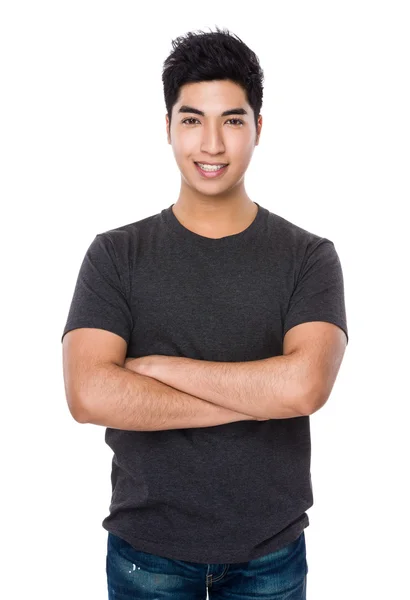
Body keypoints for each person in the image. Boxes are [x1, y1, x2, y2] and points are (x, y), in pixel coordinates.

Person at [61, 26, 348, 600]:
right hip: (147, 557)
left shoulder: (309, 257)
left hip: (270, 555)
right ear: (167, 127)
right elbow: (88, 395)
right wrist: (254, 399)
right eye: (192, 120)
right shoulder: (116, 255)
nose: (212, 144)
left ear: (259, 129)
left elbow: (303, 388)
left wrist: (157, 369)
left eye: (232, 120)